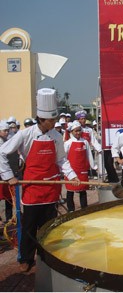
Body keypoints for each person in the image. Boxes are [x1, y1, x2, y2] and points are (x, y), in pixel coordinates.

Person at [0, 88, 79, 273]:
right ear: (41, 119)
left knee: (49, 226)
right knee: (29, 226)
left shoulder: (57, 136)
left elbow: (61, 160)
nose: (54, 122)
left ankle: (47, 256)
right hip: (32, 188)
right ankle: (26, 258)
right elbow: (2, 153)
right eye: (51, 120)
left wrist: (72, 175)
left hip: (51, 189)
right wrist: (9, 176)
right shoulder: (25, 135)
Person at [64, 121, 97, 212]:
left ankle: (84, 209)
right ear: (71, 132)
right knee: (70, 191)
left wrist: (94, 166)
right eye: (76, 131)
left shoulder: (85, 142)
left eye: (79, 130)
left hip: (82, 170)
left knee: (83, 190)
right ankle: (71, 210)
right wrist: (65, 171)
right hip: (71, 171)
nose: (78, 133)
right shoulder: (68, 143)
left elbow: (89, 155)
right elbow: (64, 158)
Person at [0, 121, 12, 225]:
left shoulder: (7, 141)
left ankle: (9, 218)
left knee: (9, 197)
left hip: (6, 175)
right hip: (1, 175)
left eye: (8, 130)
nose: (7, 132)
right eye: (5, 130)